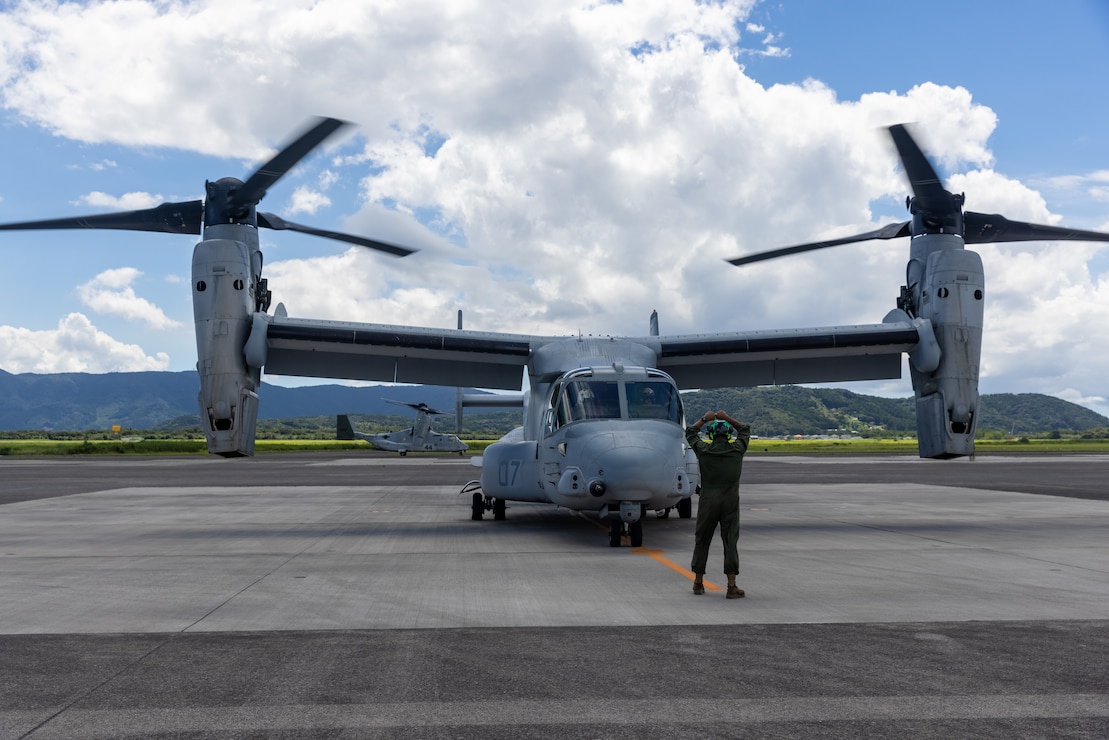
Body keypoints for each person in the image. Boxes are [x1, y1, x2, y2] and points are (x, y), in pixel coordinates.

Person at [686, 409, 751, 598]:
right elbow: (745, 429)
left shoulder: (704, 450)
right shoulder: (737, 449)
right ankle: (731, 586)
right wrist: (727, 418)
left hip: (708, 500)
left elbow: (690, 433)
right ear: (729, 435)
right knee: (730, 541)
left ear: (711, 435)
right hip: (730, 500)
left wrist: (704, 419)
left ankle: (698, 582)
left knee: (702, 540)